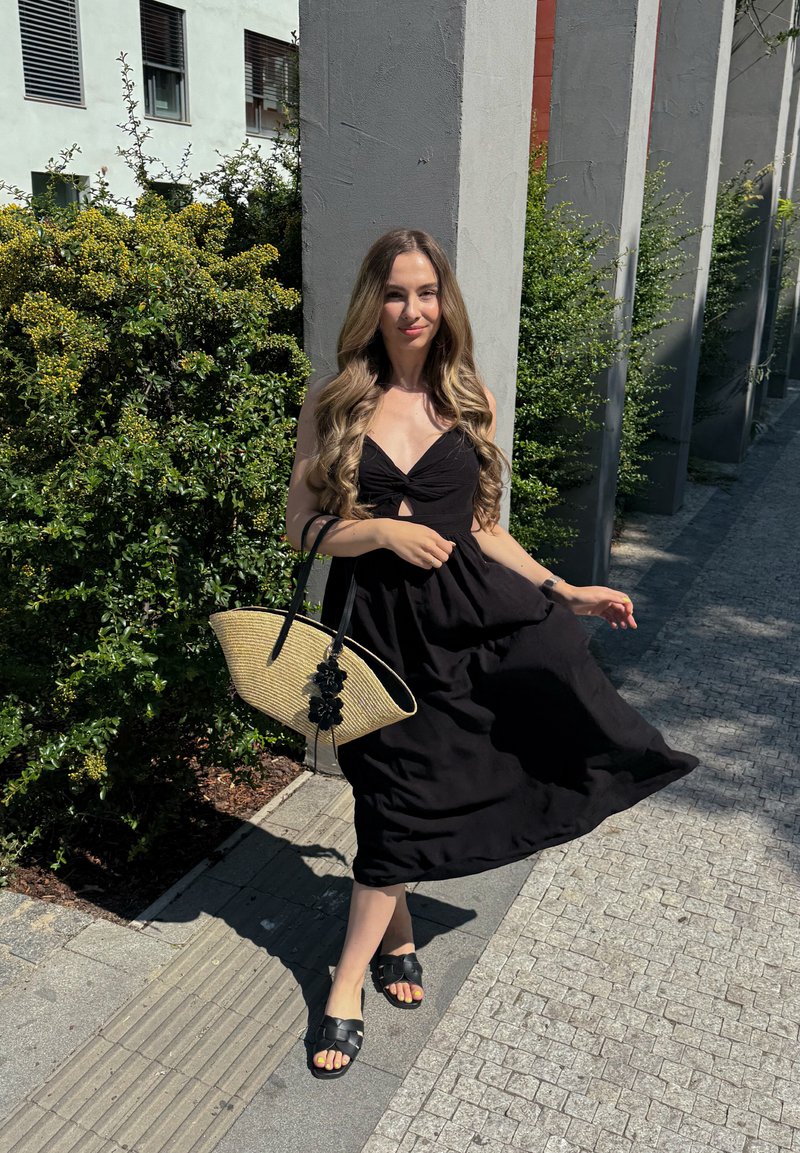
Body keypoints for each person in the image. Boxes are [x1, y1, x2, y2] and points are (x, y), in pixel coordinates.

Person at [285, 228, 699, 1079]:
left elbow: (480, 527)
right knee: (388, 786)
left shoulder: (467, 398)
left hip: (463, 624)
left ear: (446, 303)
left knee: (415, 790)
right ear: (374, 302)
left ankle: (353, 971)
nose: (412, 310)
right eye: (397, 293)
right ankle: (368, 965)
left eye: (427, 292)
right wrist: (379, 532)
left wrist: (563, 588)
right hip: (374, 630)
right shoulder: (334, 401)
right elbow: (302, 529)